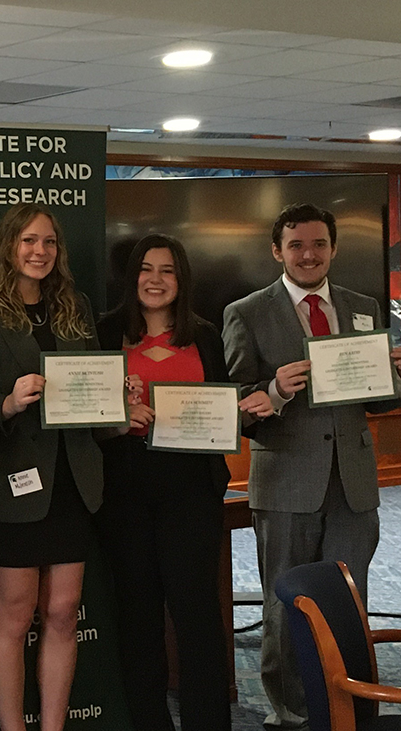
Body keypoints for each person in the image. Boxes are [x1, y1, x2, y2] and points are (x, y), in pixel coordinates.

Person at [223, 203, 401, 730]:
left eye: (319, 244)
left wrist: (393, 374)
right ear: (278, 251)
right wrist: (274, 390)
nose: (308, 254)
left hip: (353, 482)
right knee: (288, 605)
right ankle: (292, 711)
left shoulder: (364, 306)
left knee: (351, 601)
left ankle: (354, 709)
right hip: (285, 481)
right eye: (296, 245)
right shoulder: (247, 312)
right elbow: (237, 398)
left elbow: (378, 401)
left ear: (333, 249)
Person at [0, 202, 108, 731]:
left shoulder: (76, 306)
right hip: (10, 483)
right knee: (15, 615)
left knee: (64, 612)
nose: (39, 251)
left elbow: (91, 385)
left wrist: (117, 392)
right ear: (8, 247)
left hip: (73, 481)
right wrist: (9, 402)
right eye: (28, 241)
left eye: (48, 242)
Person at [95, 234, 231, 731]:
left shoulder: (207, 335)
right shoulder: (103, 333)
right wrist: (117, 415)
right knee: (137, 617)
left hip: (192, 491)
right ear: (131, 277)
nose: (155, 280)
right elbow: (85, 416)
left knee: (197, 617)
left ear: (182, 279)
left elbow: (221, 406)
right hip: (124, 494)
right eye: (146, 269)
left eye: (168, 270)